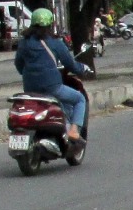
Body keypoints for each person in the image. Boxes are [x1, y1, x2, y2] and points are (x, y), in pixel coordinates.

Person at [14, 8, 86, 143]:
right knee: (79, 99)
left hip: (30, 89)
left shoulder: (24, 43)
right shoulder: (55, 43)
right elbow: (70, 64)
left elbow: (18, 64)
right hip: (52, 88)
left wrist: (28, 74)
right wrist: (82, 69)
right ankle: (74, 130)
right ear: (50, 25)